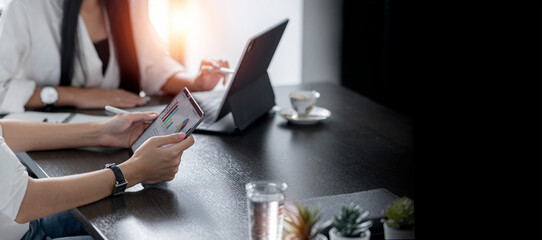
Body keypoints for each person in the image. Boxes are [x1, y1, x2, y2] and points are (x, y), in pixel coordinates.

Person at [0, 0, 229, 114]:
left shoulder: (130, 4)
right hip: (50, 146)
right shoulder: (26, 7)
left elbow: (151, 65)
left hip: (116, 134)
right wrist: (78, 96)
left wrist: (194, 82)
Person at [0, 112, 195, 239]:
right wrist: (133, 171)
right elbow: (26, 202)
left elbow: (2, 131)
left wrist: (102, 133)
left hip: (18, 224)